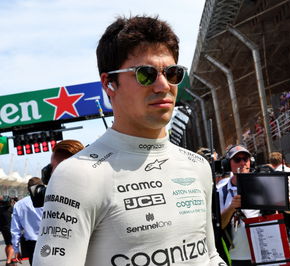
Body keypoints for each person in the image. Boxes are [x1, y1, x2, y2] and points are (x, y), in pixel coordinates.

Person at [33, 15, 226, 266]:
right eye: (145, 74)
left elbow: (210, 255)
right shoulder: (77, 175)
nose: (162, 85)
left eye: (172, 73)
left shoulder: (197, 166)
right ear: (109, 83)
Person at [218, 147, 290, 265]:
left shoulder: (265, 183)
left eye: (245, 159)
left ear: (250, 162)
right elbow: (219, 225)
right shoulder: (221, 191)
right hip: (240, 257)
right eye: (237, 159)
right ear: (228, 164)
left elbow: (286, 209)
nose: (242, 163)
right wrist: (231, 208)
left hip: (269, 252)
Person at [10, 178, 44, 265]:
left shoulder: (19, 205)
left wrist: (16, 250)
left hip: (31, 245)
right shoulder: (49, 201)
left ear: (28, 189)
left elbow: (15, 230)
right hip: (48, 241)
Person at [0, 195, 15, 266]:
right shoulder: (10, 208)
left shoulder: (1, 209)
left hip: (3, 229)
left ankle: (10, 259)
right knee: (12, 245)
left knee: (8, 245)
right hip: (10, 229)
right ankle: (8, 262)